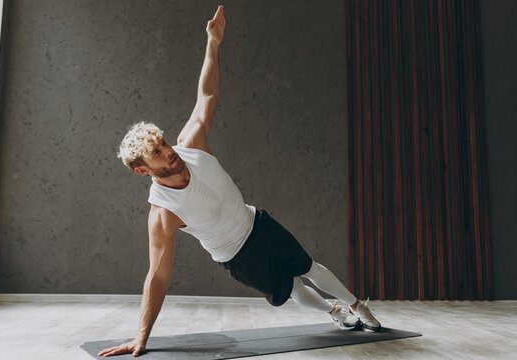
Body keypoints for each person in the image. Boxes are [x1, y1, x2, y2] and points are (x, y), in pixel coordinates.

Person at [98, 5, 380, 358]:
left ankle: (356, 305)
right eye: (157, 152)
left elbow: (207, 96)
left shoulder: (192, 145)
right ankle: (332, 312)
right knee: (291, 289)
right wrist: (142, 338)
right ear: (143, 170)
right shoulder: (163, 214)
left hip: (256, 222)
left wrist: (212, 43)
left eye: (164, 142)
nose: (168, 151)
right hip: (237, 255)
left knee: (308, 267)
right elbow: (157, 277)